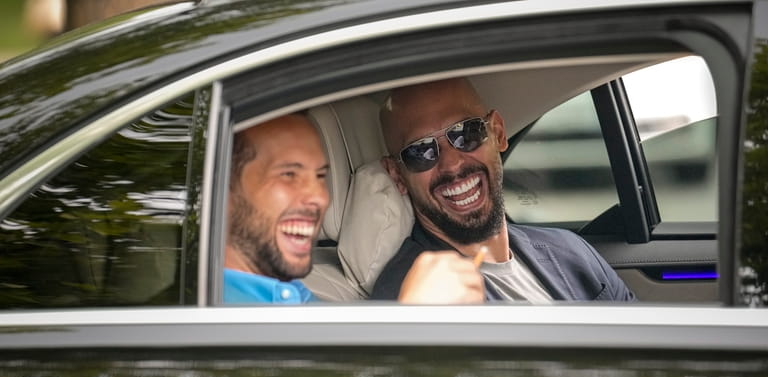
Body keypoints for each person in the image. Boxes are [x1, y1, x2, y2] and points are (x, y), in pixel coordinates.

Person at [371, 78, 635, 302]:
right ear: (397, 175)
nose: (451, 164)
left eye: (466, 133)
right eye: (420, 151)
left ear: (498, 132)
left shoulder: (571, 250)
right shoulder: (412, 297)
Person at [224, 113, 485, 304]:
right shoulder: (211, 315)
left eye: (320, 177)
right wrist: (410, 318)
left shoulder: (294, 296)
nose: (319, 197)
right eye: (289, 175)